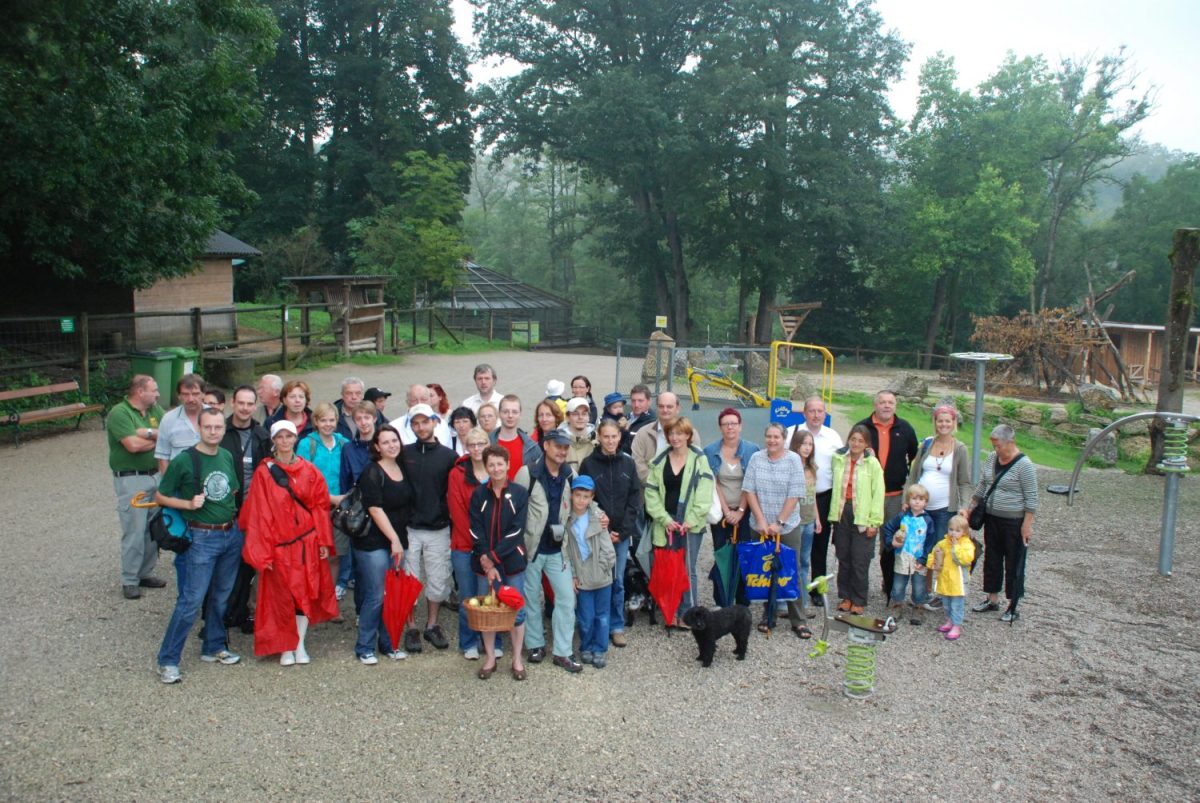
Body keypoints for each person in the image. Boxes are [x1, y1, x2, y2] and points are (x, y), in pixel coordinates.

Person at [154, 408, 243, 683]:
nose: (214, 432)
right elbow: (160, 495)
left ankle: (214, 645)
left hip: (230, 534)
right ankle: (168, 659)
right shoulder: (185, 460)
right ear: (200, 429)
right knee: (191, 600)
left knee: (221, 595)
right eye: (209, 427)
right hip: (202, 538)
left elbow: (233, 490)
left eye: (218, 427)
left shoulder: (226, 456)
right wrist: (187, 504)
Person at [239, 420, 339, 666]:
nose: (284, 441)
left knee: (303, 593)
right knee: (281, 596)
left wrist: (324, 541)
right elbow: (258, 512)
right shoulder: (265, 472)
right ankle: (285, 645)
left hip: (306, 542)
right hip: (280, 545)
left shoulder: (309, 470)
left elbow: (319, 506)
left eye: (289, 436)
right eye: (280, 437)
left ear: (296, 439)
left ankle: (299, 643)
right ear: (273, 441)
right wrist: (261, 550)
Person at [514, 429, 581, 672]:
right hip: (532, 548)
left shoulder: (569, 474)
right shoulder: (528, 473)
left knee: (566, 598)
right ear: (546, 446)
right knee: (531, 596)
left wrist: (600, 516)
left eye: (565, 447)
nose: (562, 451)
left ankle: (562, 651)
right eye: (557, 446)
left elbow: (582, 503)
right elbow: (516, 509)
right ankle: (535, 644)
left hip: (558, 549)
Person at [963, 424, 1037, 622]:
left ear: (1010, 442)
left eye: (998, 445)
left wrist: (1026, 525)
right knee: (992, 558)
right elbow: (983, 485)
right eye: (993, 445)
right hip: (992, 517)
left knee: (1014, 561)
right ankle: (992, 598)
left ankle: (1013, 604)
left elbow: (1031, 499)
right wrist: (971, 507)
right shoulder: (991, 459)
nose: (996, 449)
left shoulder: (1024, 465)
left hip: (1013, 520)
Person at [643, 417, 714, 623]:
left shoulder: (699, 459)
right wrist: (664, 519)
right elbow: (651, 493)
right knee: (666, 569)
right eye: (671, 434)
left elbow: (704, 492)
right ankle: (669, 612)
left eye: (679, 433)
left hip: (689, 524)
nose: (675, 438)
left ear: (688, 435)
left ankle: (687, 614)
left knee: (687, 569)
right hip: (666, 523)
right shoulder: (659, 462)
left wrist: (691, 520)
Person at [399, 403, 457, 653]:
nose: (421, 427)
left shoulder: (448, 456)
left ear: (434, 422)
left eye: (425, 421)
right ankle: (411, 626)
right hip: (410, 528)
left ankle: (432, 624)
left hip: (438, 527)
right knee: (409, 581)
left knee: (437, 580)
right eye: (415, 423)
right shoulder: (403, 453)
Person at [742, 422, 810, 634]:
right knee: (764, 570)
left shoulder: (793, 460)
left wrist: (779, 522)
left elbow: (795, 493)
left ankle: (798, 619)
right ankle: (767, 615)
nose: (772, 440)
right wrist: (761, 521)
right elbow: (749, 491)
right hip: (760, 525)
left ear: (784, 439)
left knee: (791, 571)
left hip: (786, 527)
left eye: (776, 437)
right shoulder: (756, 458)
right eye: (769, 436)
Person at [354, 425, 414, 664]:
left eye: (394, 440)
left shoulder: (402, 468)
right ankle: (364, 647)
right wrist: (395, 540)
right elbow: (375, 509)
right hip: (374, 542)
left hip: (397, 540)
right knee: (376, 595)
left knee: (393, 595)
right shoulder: (372, 471)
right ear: (377, 447)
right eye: (386, 442)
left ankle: (389, 644)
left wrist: (399, 540)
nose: (392, 445)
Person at [580, 419, 641, 648]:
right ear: (599, 436)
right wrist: (599, 524)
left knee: (617, 580)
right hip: (597, 532)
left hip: (621, 535)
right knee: (595, 578)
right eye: (606, 436)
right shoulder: (588, 464)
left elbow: (635, 500)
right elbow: (584, 498)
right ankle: (596, 623)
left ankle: (616, 625)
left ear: (619, 436)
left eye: (614, 436)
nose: (610, 441)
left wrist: (623, 532)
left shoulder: (628, 463)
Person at [469, 445, 529, 680]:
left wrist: (493, 558)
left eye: (500, 464)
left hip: (512, 561)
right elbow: (475, 529)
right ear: (486, 467)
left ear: (508, 465)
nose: (496, 469)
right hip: (483, 563)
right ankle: (491, 657)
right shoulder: (478, 494)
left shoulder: (520, 493)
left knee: (516, 609)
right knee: (488, 611)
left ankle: (516, 658)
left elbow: (517, 531)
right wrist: (486, 559)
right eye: (491, 464)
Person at [107, 374, 165, 599]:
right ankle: (129, 579)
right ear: (140, 392)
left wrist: (147, 434)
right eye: (154, 390)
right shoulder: (119, 413)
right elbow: (132, 445)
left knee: (153, 528)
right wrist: (157, 438)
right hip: (132, 479)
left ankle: (145, 572)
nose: (158, 394)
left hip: (155, 475)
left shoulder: (154, 411)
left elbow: (167, 433)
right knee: (134, 529)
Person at [856, 390, 919, 599]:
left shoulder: (905, 429)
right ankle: (859, 587)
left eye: (890, 402)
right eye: (882, 402)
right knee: (864, 540)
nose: (886, 406)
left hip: (893, 495)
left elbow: (914, 458)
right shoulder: (863, 427)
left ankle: (890, 585)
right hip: (867, 495)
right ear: (875, 404)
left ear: (895, 406)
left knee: (891, 541)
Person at [219, 385, 271, 633]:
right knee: (226, 565)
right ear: (232, 403)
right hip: (225, 510)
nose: (245, 408)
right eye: (241, 403)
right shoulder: (220, 431)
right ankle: (222, 614)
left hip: (253, 512)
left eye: (250, 404)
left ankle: (246, 611)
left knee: (250, 564)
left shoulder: (262, 435)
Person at [907, 404, 974, 579]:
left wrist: (963, 506)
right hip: (919, 507)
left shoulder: (960, 449)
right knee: (919, 547)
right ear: (935, 422)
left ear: (954, 423)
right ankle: (921, 592)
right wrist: (906, 500)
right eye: (940, 421)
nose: (943, 425)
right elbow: (914, 474)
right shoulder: (927, 444)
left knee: (938, 549)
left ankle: (939, 591)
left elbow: (964, 482)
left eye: (947, 421)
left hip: (944, 509)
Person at [788, 396, 842, 607]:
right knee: (794, 547)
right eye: (812, 411)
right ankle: (793, 590)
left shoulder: (833, 436)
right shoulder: (793, 433)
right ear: (804, 413)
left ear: (825, 414)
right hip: (795, 501)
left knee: (819, 546)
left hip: (822, 497)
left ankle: (816, 589)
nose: (816, 415)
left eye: (820, 411)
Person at [703, 408, 759, 606]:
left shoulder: (752, 450)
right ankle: (721, 600)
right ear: (720, 427)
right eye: (726, 424)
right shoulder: (710, 451)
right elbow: (713, 483)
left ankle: (742, 601)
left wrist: (741, 511)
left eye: (733, 423)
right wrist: (727, 512)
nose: (730, 427)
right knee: (722, 554)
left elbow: (751, 482)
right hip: (721, 512)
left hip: (745, 510)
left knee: (744, 555)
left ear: (740, 426)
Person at [829, 424, 885, 615]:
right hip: (841, 513)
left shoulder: (872, 464)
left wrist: (874, 522)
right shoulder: (838, 459)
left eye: (860, 441)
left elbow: (878, 493)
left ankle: (859, 599)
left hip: (862, 514)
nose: (856, 443)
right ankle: (845, 596)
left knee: (859, 559)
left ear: (866, 444)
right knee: (843, 557)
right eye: (853, 439)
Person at [448, 427, 493, 660]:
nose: (477, 449)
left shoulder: (495, 469)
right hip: (465, 546)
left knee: (488, 595)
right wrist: (478, 545)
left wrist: (489, 547)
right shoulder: (457, 474)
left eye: (481, 444)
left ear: (488, 444)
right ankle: (468, 642)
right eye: (472, 445)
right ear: (466, 447)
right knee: (468, 596)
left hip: (490, 547)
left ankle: (489, 640)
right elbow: (458, 513)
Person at [564, 475, 616, 668]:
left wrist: (604, 567)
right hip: (582, 574)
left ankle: (600, 648)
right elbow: (567, 549)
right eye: (578, 495)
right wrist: (573, 575)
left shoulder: (598, 517)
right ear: (572, 495)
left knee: (602, 615)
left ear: (592, 497)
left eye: (586, 496)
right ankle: (585, 645)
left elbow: (607, 548)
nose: (581, 500)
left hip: (601, 574)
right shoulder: (568, 520)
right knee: (585, 616)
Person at [299, 403, 350, 600]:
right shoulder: (307, 444)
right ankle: (309, 596)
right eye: (323, 420)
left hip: (340, 509)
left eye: (331, 420)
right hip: (314, 509)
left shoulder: (344, 443)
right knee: (312, 554)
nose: (328, 424)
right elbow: (302, 481)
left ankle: (328, 597)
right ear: (316, 422)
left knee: (335, 555)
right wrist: (329, 498)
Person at [338, 401, 381, 598]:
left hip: (383, 507)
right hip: (360, 512)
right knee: (360, 565)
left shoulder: (384, 444)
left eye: (367, 417)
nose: (363, 423)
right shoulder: (348, 449)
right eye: (358, 419)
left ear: (374, 418)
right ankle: (360, 609)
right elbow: (345, 481)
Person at [882, 484, 934, 625]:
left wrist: (924, 558)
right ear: (908, 500)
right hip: (902, 556)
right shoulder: (902, 516)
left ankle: (918, 606)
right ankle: (897, 604)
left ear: (926, 502)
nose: (917, 502)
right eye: (914, 498)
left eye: (921, 499)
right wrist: (891, 542)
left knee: (919, 585)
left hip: (919, 558)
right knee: (899, 583)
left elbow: (930, 541)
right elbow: (888, 527)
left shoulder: (928, 520)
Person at [631, 391, 700, 484]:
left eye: (669, 406)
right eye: (661, 406)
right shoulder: (643, 433)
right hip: (649, 491)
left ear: (678, 408)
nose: (665, 410)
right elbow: (637, 462)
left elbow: (695, 461)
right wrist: (655, 485)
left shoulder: (691, 434)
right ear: (657, 408)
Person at [788, 428, 822, 609]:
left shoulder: (812, 468)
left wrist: (817, 518)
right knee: (792, 561)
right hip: (794, 522)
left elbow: (813, 495)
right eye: (804, 444)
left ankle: (802, 600)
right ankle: (787, 602)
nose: (807, 448)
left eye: (810, 444)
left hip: (809, 520)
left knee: (805, 561)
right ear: (796, 445)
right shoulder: (791, 467)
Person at [927, 514, 976, 640]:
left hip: (958, 582)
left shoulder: (967, 545)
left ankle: (957, 625)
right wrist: (932, 563)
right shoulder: (942, 543)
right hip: (945, 579)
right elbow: (933, 553)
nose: (953, 533)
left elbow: (966, 560)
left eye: (957, 530)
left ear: (964, 532)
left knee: (957, 605)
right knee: (946, 604)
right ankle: (949, 620)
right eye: (951, 529)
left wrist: (955, 548)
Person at [156, 373, 205, 474]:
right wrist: (169, 486)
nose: (191, 399)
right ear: (179, 396)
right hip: (179, 483)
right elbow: (162, 457)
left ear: (203, 394)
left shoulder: (215, 417)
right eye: (185, 394)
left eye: (195, 394)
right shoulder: (168, 419)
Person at [492, 394, 542, 480]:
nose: (510, 416)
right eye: (505, 412)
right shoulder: (487, 443)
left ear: (520, 414)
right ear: (499, 413)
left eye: (514, 412)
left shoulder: (532, 448)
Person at [561, 397, 596, 471]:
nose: (580, 417)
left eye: (584, 414)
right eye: (575, 414)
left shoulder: (598, 442)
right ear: (567, 417)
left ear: (588, 417)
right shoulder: (558, 442)